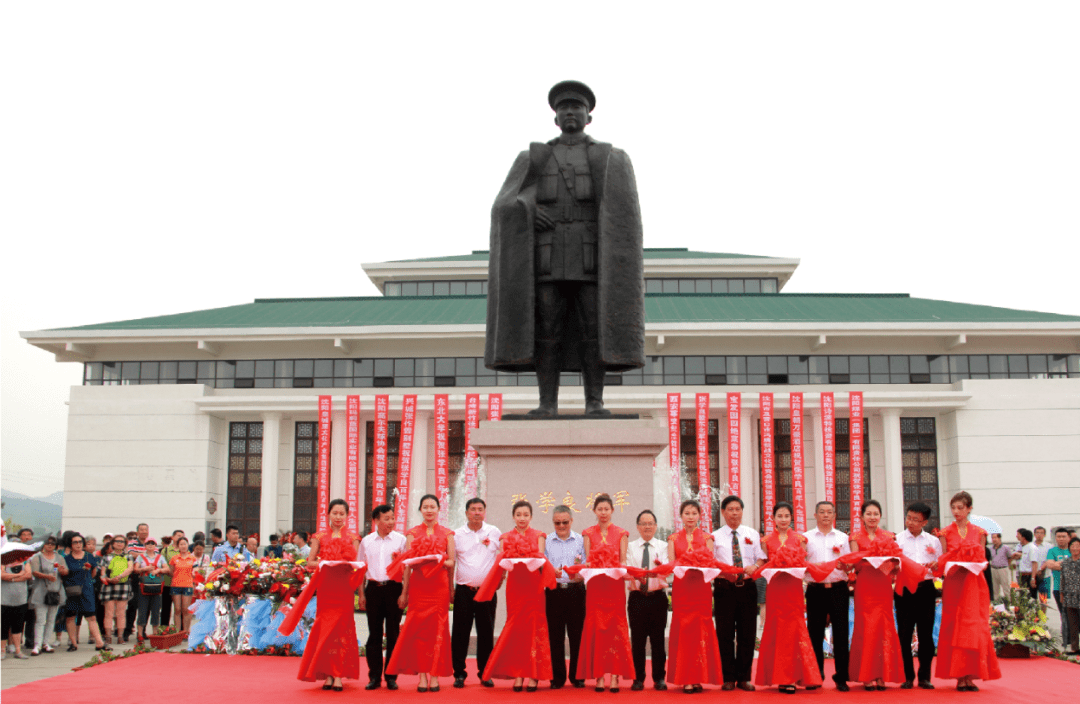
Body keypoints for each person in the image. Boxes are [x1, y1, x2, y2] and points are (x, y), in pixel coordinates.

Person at [485, 80, 645, 417]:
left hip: (591, 256)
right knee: (547, 329)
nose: (570, 113)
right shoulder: (534, 156)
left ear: (589, 117)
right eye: (563, 109)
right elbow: (504, 204)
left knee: (594, 328)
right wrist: (529, 209)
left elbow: (624, 213)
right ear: (555, 119)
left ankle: (595, 402)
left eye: (577, 108)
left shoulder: (610, 157)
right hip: (548, 254)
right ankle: (547, 403)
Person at [288, 499, 362, 691]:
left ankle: (337, 674)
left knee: (341, 631)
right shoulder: (319, 537)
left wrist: (358, 587)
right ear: (328, 514)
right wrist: (325, 562)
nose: (338, 517)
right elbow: (310, 562)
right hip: (327, 590)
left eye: (342, 514)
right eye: (335, 513)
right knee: (326, 631)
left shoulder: (353, 537)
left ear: (347, 516)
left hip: (344, 590)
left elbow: (356, 565)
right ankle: (327, 673)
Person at [386, 494, 456, 692]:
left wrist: (438, 560)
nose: (429, 510)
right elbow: (407, 565)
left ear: (438, 509)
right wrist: (404, 593)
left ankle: (435, 675)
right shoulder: (412, 533)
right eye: (425, 507)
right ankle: (422, 677)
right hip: (419, 587)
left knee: (437, 630)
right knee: (419, 632)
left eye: (432, 506)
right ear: (420, 510)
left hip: (439, 587)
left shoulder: (448, 534)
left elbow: (451, 562)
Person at [480, 500, 552, 690]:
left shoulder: (539, 535)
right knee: (517, 629)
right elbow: (503, 564)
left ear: (531, 516)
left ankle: (534, 675)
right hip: (516, 588)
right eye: (518, 514)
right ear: (513, 516)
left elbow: (540, 561)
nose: (522, 518)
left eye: (526, 515)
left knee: (535, 629)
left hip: (534, 588)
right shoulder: (506, 537)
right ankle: (519, 673)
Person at [936, 491, 1001, 691]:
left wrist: (974, 564)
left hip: (974, 583)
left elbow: (983, 561)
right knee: (954, 625)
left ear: (969, 508)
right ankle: (958, 676)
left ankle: (971, 675)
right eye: (953, 508)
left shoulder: (980, 532)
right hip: (954, 582)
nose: (956, 512)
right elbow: (943, 559)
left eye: (960, 508)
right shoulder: (945, 533)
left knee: (973, 626)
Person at [756, 501, 820, 693]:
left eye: (786, 516)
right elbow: (764, 564)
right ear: (773, 518)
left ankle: (803, 676)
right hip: (775, 588)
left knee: (796, 629)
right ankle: (784, 678)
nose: (783, 520)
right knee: (779, 630)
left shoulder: (800, 539)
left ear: (791, 517)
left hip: (793, 589)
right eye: (779, 516)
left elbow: (803, 562)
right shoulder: (766, 541)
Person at [577, 493, 634, 691]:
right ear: (594, 511)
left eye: (606, 509)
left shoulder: (621, 533)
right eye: (599, 509)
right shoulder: (587, 532)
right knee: (597, 630)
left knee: (615, 630)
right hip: (595, 588)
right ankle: (599, 676)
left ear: (612, 511)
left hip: (614, 587)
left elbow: (623, 561)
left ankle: (615, 677)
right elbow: (588, 561)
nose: (603, 513)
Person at [847, 500, 905, 690]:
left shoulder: (889, 536)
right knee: (866, 627)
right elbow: (855, 562)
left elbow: (897, 561)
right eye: (869, 514)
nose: (872, 517)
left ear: (880, 516)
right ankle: (866, 674)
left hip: (883, 585)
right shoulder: (855, 537)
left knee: (884, 627)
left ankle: (882, 674)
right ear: (861, 516)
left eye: (876, 514)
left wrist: (892, 564)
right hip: (865, 585)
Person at [666, 500, 721, 693]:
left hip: (701, 589)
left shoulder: (707, 538)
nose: (690, 517)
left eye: (694, 513)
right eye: (686, 513)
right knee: (684, 631)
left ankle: (699, 677)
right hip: (683, 590)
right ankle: (685, 678)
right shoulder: (673, 538)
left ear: (699, 516)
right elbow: (672, 564)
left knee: (700, 631)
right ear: (681, 516)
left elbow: (711, 563)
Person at [712, 495, 765, 691]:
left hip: (747, 588)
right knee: (724, 633)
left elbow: (761, 558)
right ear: (724, 512)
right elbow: (709, 562)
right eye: (731, 509)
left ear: (742, 512)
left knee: (747, 633)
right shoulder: (714, 536)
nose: (734, 513)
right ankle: (728, 677)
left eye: (738, 509)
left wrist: (755, 566)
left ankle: (744, 678)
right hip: (724, 588)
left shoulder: (751, 533)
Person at [450, 497, 500, 688]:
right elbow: (452, 562)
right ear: (466, 513)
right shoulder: (457, 534)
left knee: (486, 633)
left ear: (484, 512)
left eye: (480, 509)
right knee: (460, 633)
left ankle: (485, 673)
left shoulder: (493, 532)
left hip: (486, 592)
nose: (477, 512)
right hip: (463, 591)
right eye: (473, 509)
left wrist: (499, 581)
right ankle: (459, 673)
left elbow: (501, 557)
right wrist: (450, 589)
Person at [803, 500, 851, 692]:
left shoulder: (842, 538)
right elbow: (801, 562)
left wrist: (844, 566)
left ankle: (841, 677)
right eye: (821, 512)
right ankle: (816, 676)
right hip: (815, 589)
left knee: (841, 634)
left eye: (829, 512)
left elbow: (850, 564)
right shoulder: (806, 538)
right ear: (815, 515)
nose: (825, 515)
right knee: (814, 634)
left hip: (839, 589)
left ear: (834, 515)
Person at [358, 504, 406, 691]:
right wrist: (361, 594)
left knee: (394, 633)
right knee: (374, 635)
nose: (391, 522)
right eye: (386, 519)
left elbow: (407, 568)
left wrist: (404, 593)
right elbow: (362, 569)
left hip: (394, 588)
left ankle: (391, 676)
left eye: (392, 518)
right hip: (374, 589)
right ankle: (374, 676)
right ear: (376, 521)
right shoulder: (366, 541)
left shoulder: (401, 540)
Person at [895, 502, 942, 689]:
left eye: (916, 519)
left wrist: (935, 567)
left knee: (926, 635)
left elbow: (939, 566)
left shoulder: (933, 541)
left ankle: (924, 677)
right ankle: (907, 676)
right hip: (905, 590)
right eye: (908, 518)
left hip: (925, 589)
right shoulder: (897, 539)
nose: (911, 522)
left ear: (924, 522)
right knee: (904, 635)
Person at [544, 505, 587, 690]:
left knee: (577, 635)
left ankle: (577, 676)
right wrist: (550, 572)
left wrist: (578, 574)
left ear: (571, 521)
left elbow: (587, 564)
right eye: (557, 522)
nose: (561, 525)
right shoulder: (546, 540)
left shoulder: (580, 540)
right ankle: (557, 677)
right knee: (555, 636)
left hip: (576, 591)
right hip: (554, 591)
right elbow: (541, 564)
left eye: (565, 522)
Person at [628, 509, 669, 692]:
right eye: (643, 523)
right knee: (637, 641)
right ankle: (638, 678)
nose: (647, 527)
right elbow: (628, 569)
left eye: (650, 523)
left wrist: (656, 572)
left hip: (657, 598)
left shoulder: (663, 546)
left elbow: (668, 569)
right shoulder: (629, 547)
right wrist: (639, 576)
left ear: (655, 526)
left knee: (658, 640)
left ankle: (659, 678)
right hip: (637, 598)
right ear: (637, 527)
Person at [61, 534, 108, 652]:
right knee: (71, 617)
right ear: (70, 545)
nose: (78, 544)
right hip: (71, 590)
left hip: (86, 589)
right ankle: (73, 643)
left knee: (91, 616)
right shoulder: (66, 558)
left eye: (80, 542)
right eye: (75, 542)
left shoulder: (88, 556)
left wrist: (87, 573)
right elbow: (63, 573)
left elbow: (93, 573)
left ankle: (99, 643)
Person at [28, 536, 67, 655]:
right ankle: (37, 645)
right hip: (41, 590)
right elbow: (34, 572)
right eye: (47, 543)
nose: (50, 545)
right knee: (40, 620)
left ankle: (46, 643)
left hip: (55, 590)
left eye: (52, 543)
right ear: (43, 545)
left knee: (51, 619)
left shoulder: (59, 557)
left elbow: (65, 572)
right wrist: (47, 576)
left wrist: (62, 570)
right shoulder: (37, 557)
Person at [1045, 537, 1080, 655]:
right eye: (1073, 546)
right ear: (1069, 548)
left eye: (1077, 546)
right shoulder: (1066, 563)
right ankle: (1075, 648)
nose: (1075, 548)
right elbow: (1063, 579)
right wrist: (1061, 594)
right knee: (1072, 623)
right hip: (1069, 596)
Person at [101, 534, 133, 644]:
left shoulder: (128, 556)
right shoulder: (106, 557)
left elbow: (130, 569)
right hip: (109, 585)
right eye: (117, 541)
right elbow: (102, 573)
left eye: (122, 541)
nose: (119, 543)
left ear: (125, 544)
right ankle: (108, 636)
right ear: (112, 543)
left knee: (121, 612)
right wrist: (109, 580)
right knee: (109, 613)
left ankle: (120, 636)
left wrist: (119, 577)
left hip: (123, 585)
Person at [134, 539, 168, 641]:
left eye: (152, 543)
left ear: (155, 546)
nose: (150, 545)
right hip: (144, 588)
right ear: (145, 545)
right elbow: (135, 569)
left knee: (156, 611)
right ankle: (140, 634)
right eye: (148, 543)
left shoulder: (160, 557)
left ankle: (155, 634)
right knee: (142, 611)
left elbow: (167, 569)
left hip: (157, 588)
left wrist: (158, 570)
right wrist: (144, 569)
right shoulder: (140, 557)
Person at [2, 555, 33, 659]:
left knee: (18, 626)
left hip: (21, 599)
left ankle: (18, 650)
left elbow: (28, 575)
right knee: (3, 626)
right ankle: (2, 651)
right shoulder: (3, 561)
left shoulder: (25, 562)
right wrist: (19, 575)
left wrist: (10, 577)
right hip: (4, 600)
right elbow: (2, 576)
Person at [1045, 527, 1072, 647]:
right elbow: (1050, 564)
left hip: (1074, 588)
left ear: (1068, 538)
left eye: (1063, 536)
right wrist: (1068, 564)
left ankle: (1073, 636)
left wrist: (1059, 564)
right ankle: (1067, 638)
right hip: (1058, 588)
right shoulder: (1052, 551)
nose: (1061, 539)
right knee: (1064, 613)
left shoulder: (1074, 550)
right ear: (1055, 538)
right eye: (1059, 537)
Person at [167, 536, 196, 632]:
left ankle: (186, 631)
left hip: (188, 585)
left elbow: (196, 573)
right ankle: (177, 631)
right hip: (175, 585)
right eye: (181, 544)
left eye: (185, 544)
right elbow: (171, 572)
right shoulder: (174, 558)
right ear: (178, 546)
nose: (183, 546)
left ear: (188, 545)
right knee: (177, 609)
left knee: (185, 609)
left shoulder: (192, 558)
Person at [160, 529, 183, 627]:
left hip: (181, 583)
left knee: (180, 608)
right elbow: (162, 563)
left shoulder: (185, 550)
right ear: (173, 537)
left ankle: (181, 630)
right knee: (166, 608)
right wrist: (171, 573)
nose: (180, 538)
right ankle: (164, 628)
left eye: (182, 536)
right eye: (178, 535)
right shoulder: (166, 550)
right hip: (168, 583)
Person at [1012, 528, 1039, 598]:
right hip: (1023, 575)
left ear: (1023, 538)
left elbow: (1034, 563)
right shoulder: (1024, 547)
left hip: (1029, 575)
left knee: (1031, 597)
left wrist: (1033, 578)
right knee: (1023, 597)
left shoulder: (1032, 548)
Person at [987, 533, 1012, 601]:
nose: (994, 539)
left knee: (1005, 587)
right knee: (995, 587)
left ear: (999, 538)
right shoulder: (991, 548)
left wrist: (1007, 565)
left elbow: (1010, 557)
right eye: (992, 538)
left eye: (995, 538)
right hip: (994, 569)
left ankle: (1008, 602)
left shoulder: (1005, 548)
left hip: (1003, 568)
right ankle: (996, 603)